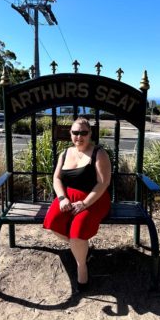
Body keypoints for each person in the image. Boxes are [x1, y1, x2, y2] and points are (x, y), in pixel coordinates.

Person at [43, 117, 111, 292]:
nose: (79, 136)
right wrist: (61, 198)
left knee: (78, 230)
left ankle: (82, 267)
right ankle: (81, 249)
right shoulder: (65, 154)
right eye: (75, 132)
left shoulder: (99, 153)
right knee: (52, 222)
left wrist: (85, 203)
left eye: (83, 133)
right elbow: (57, 178)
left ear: (90, 134)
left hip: (94, 198)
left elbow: (103, 183)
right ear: (70, 134)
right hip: (68, 197)